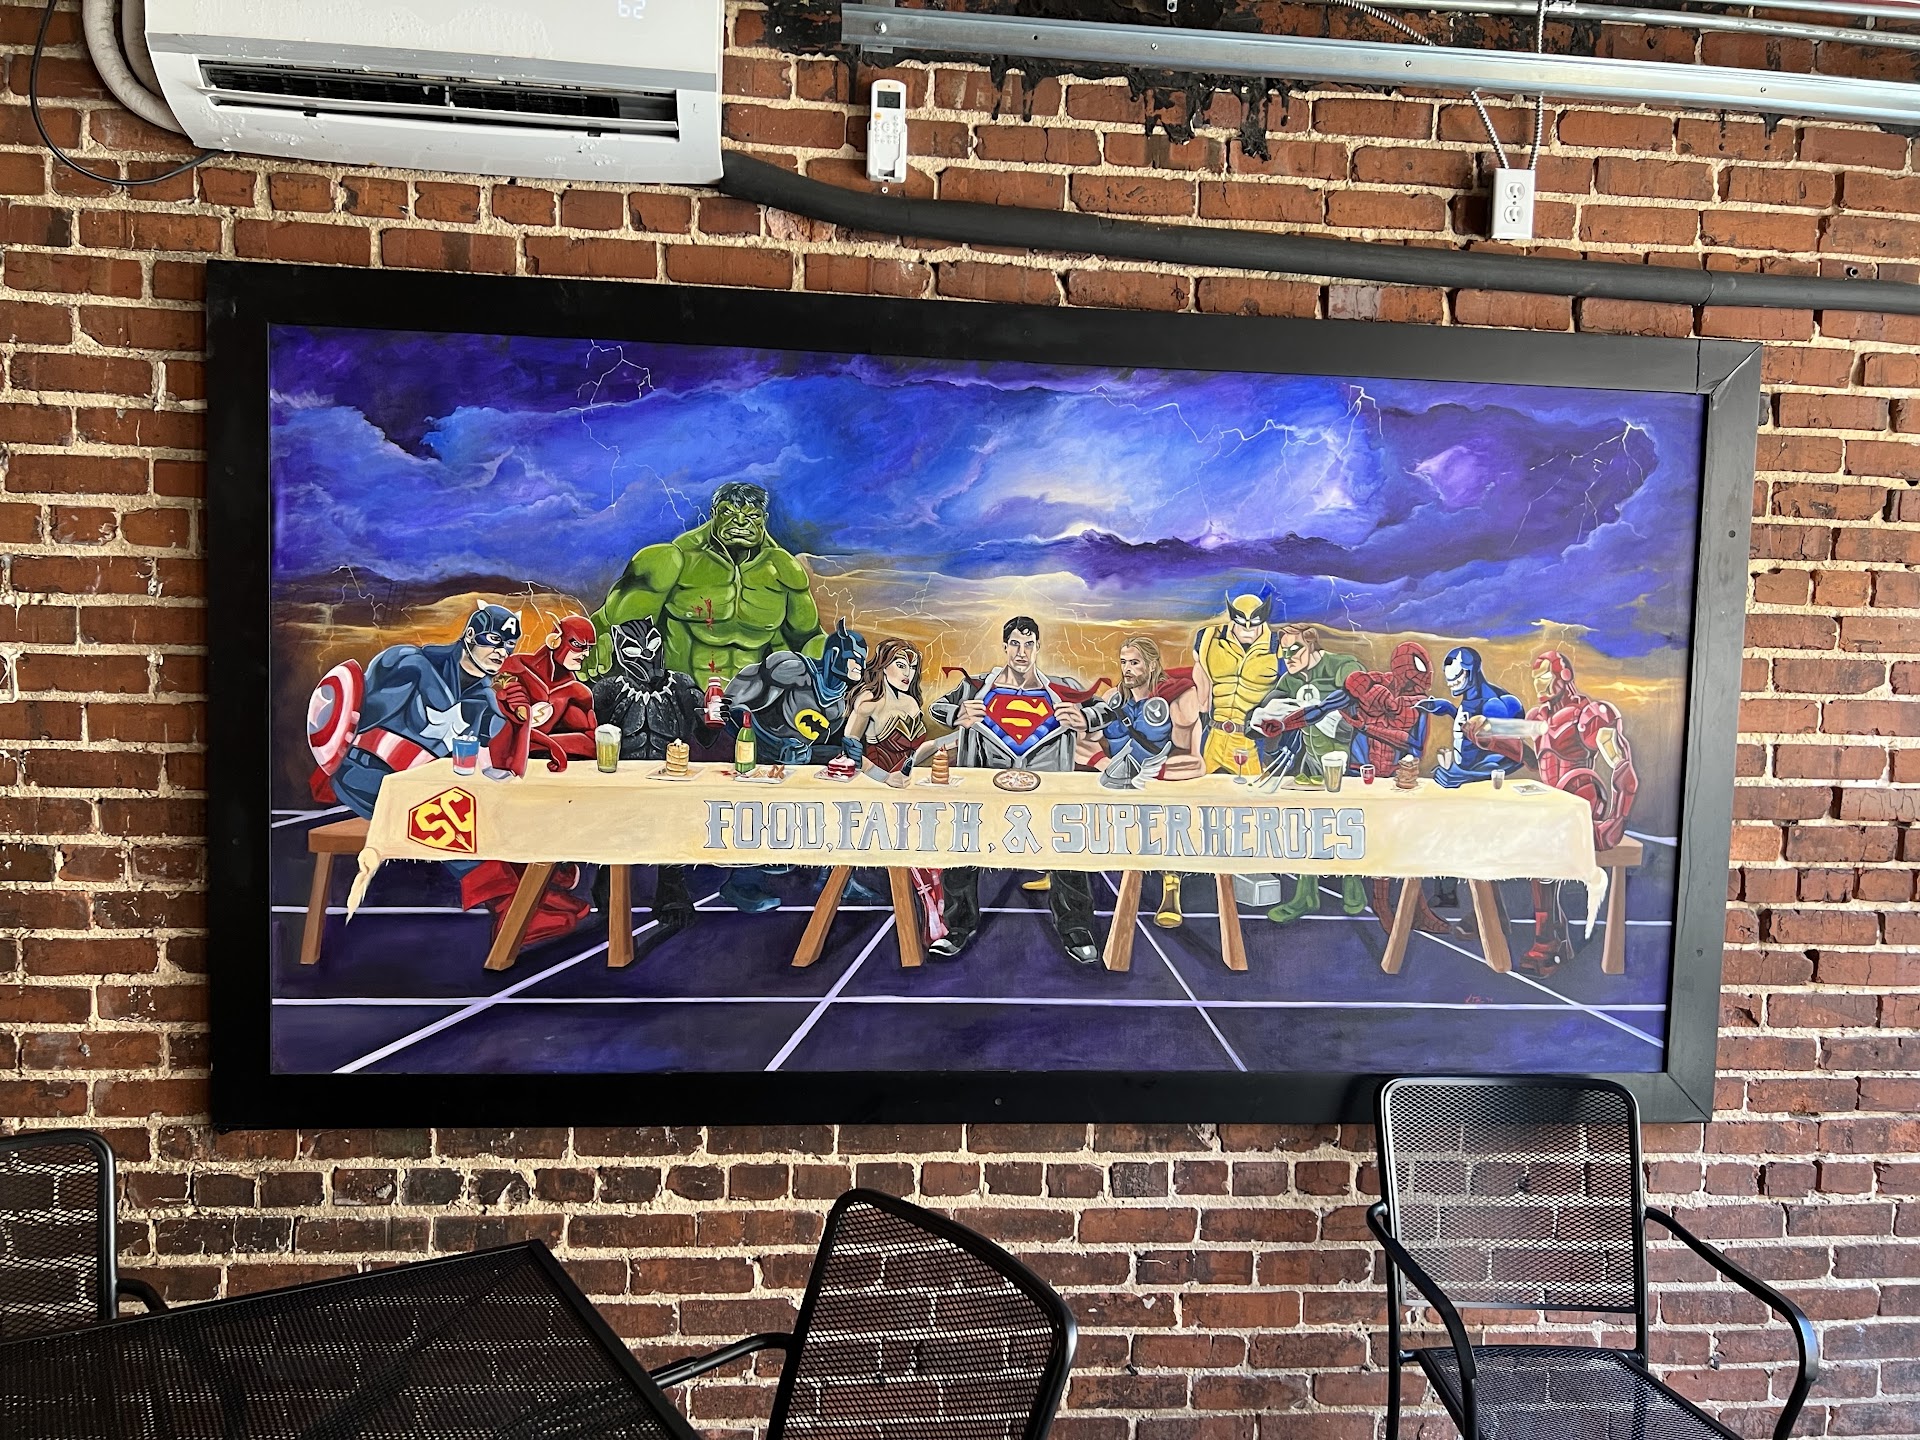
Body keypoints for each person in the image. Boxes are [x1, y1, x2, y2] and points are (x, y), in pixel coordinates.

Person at [926, 616, 1101, 967]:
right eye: (1016, 645)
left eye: (1029, 644)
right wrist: (958, 714)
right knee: (962, 843)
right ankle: (958, 927)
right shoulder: (977, 686)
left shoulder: (1062, 689)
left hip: (1049, 790)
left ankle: (1076, 927)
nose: (1022, 652)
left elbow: (1103, 710)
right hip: (985, 786)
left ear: (1038, 647)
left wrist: (1085, 720)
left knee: (1067, 846)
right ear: (1005, 647)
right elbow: (937, 708)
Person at [1474, 649, 1638, 976]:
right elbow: (1532, 757)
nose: (1538, 683)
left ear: (1563, 675)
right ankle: (1541, 929)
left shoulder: (1589, 715)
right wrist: (1489, 734)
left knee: (1540, 845)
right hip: (1550, 805)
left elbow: (1621, 767)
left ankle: (1547, 939)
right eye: (1535, 677)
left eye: (1545, 675)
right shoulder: (1538, 719)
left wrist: (1616, 819)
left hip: (1580, 802)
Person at [587, 480, 825, 688]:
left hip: (752, 705)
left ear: (765, 519)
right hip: (680, 699)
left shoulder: (784, 570)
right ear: (713, 514)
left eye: (752, 516)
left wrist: (832, 659)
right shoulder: (671, 560)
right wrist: (597, 642)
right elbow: (610, 621)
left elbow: (809, 638)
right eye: (728, 513)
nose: (740, 522)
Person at [1248, 623, 1370, 926]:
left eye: (1295, 649)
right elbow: (1261, 712)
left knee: (1348, 822)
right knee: (1306, 825)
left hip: (1348, 761)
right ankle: (1306, 894)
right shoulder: (1290, 679)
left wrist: (1320, 710)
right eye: (1283, 652)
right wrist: (1262, 717)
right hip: (1311, 764)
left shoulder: (1340, 665)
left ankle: (1353, 883)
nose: (1288, 657)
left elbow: (1357, 690)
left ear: (1312, 643)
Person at [1079, 635, 1202, 928]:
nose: (1127, 669)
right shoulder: (1111, 699)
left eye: (1134, 663)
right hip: (1113, 785)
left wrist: (1150, 773)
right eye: (1124, 662)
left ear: (1152, 665)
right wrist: (1105, 764)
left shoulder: (1178, 699)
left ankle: (1171, 886)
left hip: (1157, 788)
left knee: (1170, 814)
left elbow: (1194, 761)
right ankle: (1062, 868)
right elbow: (1081, 742)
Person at [842, 637, 945, 942]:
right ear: (883, 666)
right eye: (900, 665)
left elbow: (915, 753)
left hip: (908, 787)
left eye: (912, 667)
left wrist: (943, 744)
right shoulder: (867, 701)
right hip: (878, 790)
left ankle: (937, 902)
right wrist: (884, 777)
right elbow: (850, 750)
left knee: (937, 836)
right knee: (914, 841)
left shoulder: (911, 702)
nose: (907, 673)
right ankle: (931, 908)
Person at [1192, 585, 1283, 779]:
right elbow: (1201, 686)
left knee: (1253, 791)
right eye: (1242, 623)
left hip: (1250, 742)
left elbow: (1287, 689)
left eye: (1254, 624)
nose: (1248, 630)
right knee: (1204, 789)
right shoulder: (1208, 638)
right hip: (1213, 737)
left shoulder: (1278, 645)